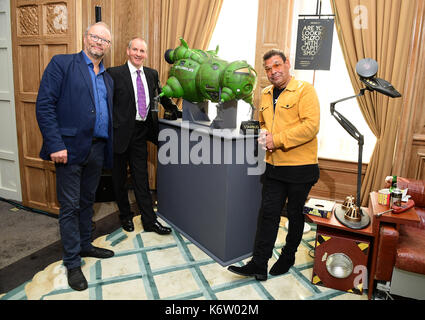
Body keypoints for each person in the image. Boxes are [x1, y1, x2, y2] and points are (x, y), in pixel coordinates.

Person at [228, 49, 320, 280]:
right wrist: (259, 132)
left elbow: (311, 127)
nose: (273, 72)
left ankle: (288, 256)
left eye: (277, 66)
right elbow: (263, 123)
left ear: (287, 64)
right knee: (268, 214)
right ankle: (259, 264)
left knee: (294, 215)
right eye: (268, 69)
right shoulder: (266, 94)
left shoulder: (305, 91)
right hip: (273, 167)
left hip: (301, 168)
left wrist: (276, 140)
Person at [36, 22, 115, 291]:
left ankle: (84, 245)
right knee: (69, 207)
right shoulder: (62, 64)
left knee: (87, 201)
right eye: (95, 37)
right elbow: (45, 105)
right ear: (85, 38)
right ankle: (71, 262)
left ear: (108, 46)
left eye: (104, 40)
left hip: (97, 149)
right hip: (68, 149)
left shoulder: (107, 77)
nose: (99, 43)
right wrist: (55, 143)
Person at [107, 37, 180, 234]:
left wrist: (175, 110)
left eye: (142, 51)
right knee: (119, 179)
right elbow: (106, 104)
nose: (139, 54)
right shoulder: (114, 74)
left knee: (141, 178)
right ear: (128, 51)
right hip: (119, 135)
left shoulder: (151, 74)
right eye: (135, 50)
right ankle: (125, 216)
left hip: (141, 133)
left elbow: (160, 96)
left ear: (146, 54)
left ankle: (150, 221)